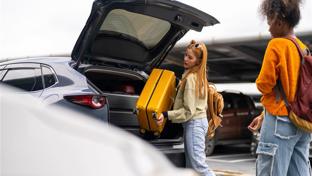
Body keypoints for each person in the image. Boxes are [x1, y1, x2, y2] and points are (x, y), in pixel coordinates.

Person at [248, 0, 311, 175]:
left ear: (280, 21)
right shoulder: (303, 48)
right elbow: (295, 91)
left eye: (269, 23)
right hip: (301, 123)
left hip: (280, 123)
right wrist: (262, 116)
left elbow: (264, 84)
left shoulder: (276, 44)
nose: (268, 29)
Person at [156, 40, 215, 176]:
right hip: (197, 123)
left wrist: (165, 114)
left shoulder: (190, 79)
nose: (185, 59)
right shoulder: (198, 77)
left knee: (199, 167)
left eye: (190, 57)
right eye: (185, 55)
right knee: (192, 167)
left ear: (198, 61)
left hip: (194, 124)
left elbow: (189, 111)